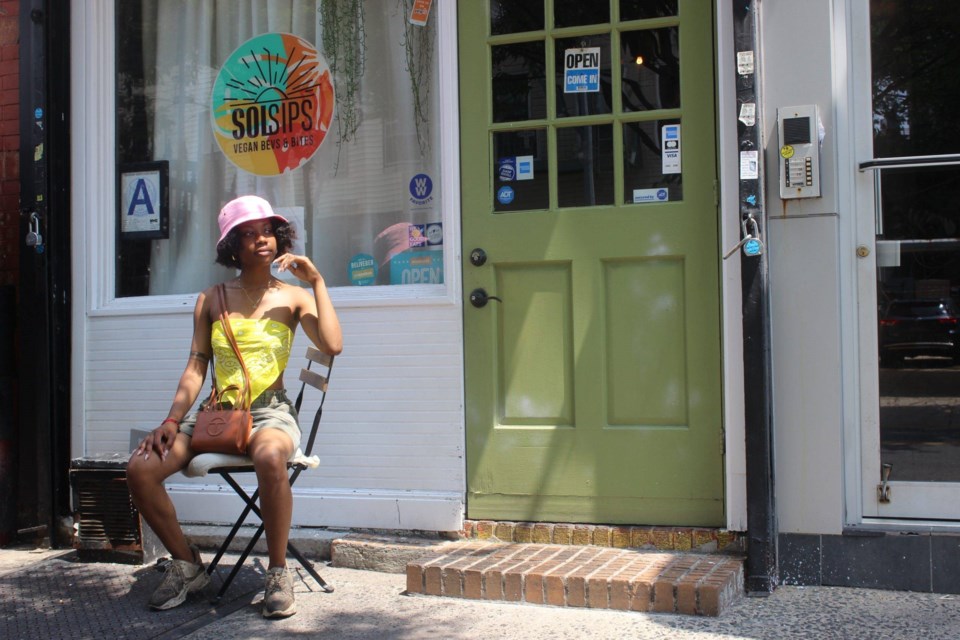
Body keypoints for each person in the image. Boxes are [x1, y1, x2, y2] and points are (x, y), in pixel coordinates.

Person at [126, 195, 342, 618]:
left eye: (267, 231)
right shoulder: (212, 298)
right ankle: (188, 564)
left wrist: (316, 281)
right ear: (232, 246)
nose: (261, 239)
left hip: (270, 413)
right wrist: (172, 419)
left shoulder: (294, 297)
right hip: (216, 414)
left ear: (278, 237)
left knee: (269, 454)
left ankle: (278, 572)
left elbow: (333, 345)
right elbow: (196, 366)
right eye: (248, 234)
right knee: (140, 469)